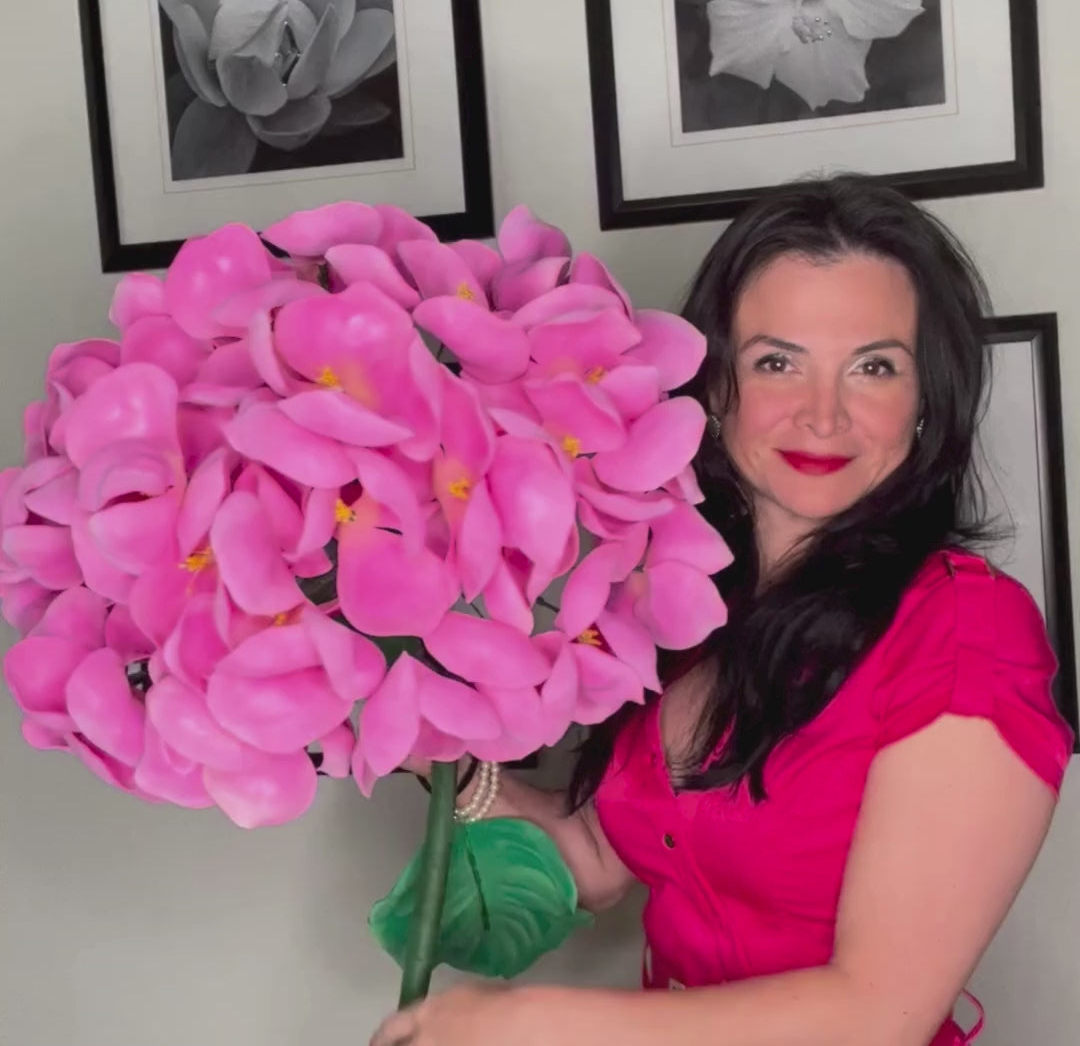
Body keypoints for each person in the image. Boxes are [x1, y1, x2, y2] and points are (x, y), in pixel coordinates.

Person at [370, 175, 1074, 1046]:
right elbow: (597, 858)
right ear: (714, 387)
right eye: (776, 361)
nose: (822, 414)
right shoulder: (691, 602)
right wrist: (412, 730)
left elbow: (878, 1013)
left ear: (928, 400)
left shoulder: (969, 630)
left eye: (874, 367)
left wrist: (535, 1023)